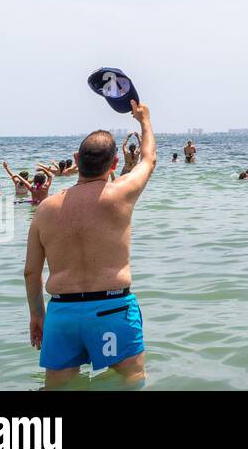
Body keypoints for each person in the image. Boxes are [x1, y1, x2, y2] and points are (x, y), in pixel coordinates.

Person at [23, 100, 157, 388]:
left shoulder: (45, 209)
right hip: (112, 309)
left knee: (58, 388)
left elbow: (31, 272)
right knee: (130, 381)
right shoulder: (120, 194)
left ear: (76, 158)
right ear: (114, 164)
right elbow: (148, 160)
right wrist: (144, 120)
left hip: (62, 313)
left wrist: (37, 315)